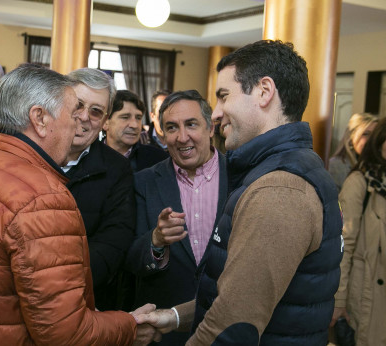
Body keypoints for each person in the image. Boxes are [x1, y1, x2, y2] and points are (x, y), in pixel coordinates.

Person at [0, 65, 157, 345]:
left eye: (94, 111)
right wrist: (130, 326)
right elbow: (65, 333)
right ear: (40, 118)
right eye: (72, 112)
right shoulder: (43, 198)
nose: (78, 123)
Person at [136, 40, 343, 345]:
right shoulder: (281, 171)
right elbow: (243, 293)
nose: (216, 113)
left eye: (223, 96)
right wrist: (175, 316)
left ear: (264, 91)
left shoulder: (278, 190)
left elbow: (233, 326)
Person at [126, 90, 228, 345]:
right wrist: (156, 240)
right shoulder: (144, 182)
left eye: (191, 124)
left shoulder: (240, 178)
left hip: (227, 326)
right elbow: (130, 260)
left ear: (210, 127)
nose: (182, 137)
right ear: (162, 132)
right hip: (163, 332)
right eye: (172, 127)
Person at [64, 68, 137, 311]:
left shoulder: (117, 169)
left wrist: (62, 285)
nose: (84, 117)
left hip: (83, 301)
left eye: (95, 111)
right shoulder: (30, 153)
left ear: (105, 121)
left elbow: (113, 242)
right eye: (77, 105)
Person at [332, 116, 386, 346]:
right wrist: (339, 300)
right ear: (379, 142)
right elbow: (344, 244)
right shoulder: (360, 182)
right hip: (367, 299)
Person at [103, 89, 169, 172]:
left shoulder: (160, 160)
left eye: (138, 118)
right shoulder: (87, 157)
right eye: (125, 117)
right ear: (105, 122)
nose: (134, 125)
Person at [328, 113, 377, 191]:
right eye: (366, 134)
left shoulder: (377, 166)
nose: (372, 139)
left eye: (375, 135)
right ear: (351, 138)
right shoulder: (336, 166)